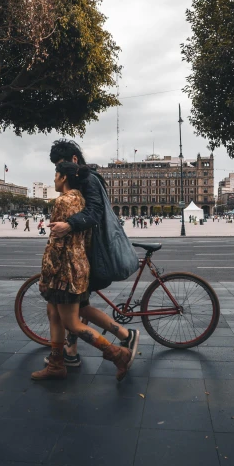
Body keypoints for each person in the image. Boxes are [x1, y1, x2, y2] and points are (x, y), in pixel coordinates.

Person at [32, 161, 137, 382]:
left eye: (55, 175)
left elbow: (56, 243)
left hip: (65, 270)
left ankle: (118, 354)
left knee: (72, 323)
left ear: (63, 178)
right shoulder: (81, 199)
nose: (53, 179)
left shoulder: (63, 201)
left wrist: (46, 274)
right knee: (54, 314)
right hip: (79, 265)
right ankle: (56, 364)